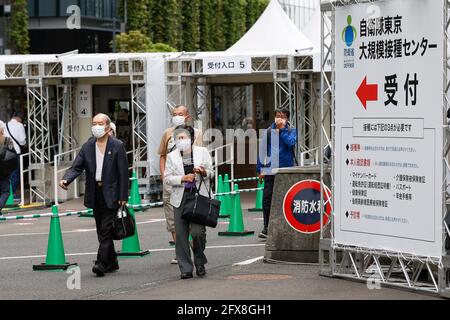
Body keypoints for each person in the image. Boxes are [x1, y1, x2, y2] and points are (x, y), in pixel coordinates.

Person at [59, 113, 129, 277]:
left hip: (112, 193)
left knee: (105, 229)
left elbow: (123, 173)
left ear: (107, 127)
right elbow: (77, 166)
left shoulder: (117, 145)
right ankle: (112, 261)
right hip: (95, 192)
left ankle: (101, 263)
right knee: (101, 228)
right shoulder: (88, 146)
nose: (96, 126)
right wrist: (66, 180)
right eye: (93, 123)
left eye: (99, 123)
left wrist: (123, 196)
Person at [164, 125, 213, 279]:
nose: (181, 140)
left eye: (183, 137)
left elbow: (211, 172)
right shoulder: (172, 156)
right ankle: (185, 268)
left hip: (198, 196)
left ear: (191, 138)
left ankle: (199, 260)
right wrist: (182, 178)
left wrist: (203, 172)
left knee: (198, 233)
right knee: (181, 235)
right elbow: (167, 178)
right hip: (180, 197)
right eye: (178, 137)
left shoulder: (202, 152)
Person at [158, 105, 203, 264]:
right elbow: (162, 156)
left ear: (187, 116)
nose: (177, 117)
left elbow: (200, 155)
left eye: (180, 114)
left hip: (190, 184)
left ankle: (196, 252)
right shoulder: (167, 134)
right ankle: (181, 253)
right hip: (172, 183)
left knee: (193, 224)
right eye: (174, 114)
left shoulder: (196, 133)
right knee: (173, 221)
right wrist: (164, 175)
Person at [257, 108, 298, 239]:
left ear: (287, 118)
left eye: (283, 116)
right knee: (267, 199)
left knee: (286, 198)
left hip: (287, 171)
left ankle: (287, 225)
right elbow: (262, 150)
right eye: (277, 116)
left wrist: (282, 130)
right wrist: (260, 169)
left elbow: (291, 142)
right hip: (270, 170)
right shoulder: (269, 131)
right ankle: (267, 227)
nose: (279, 118)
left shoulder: (291, 130)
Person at [4, 111, 26, 199]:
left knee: (6, 174)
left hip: (5, 153)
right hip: (15, 152)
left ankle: (5, 194)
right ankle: (12, 194)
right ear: (19, 118)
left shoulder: (5, 125)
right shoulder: (19, 126)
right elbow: (22, 141)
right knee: (15, 173)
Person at [0, 120, 17, 218]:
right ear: (2, 129)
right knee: (5, 192)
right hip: (4, 170)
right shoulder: (7, 140)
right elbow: (13, 154)